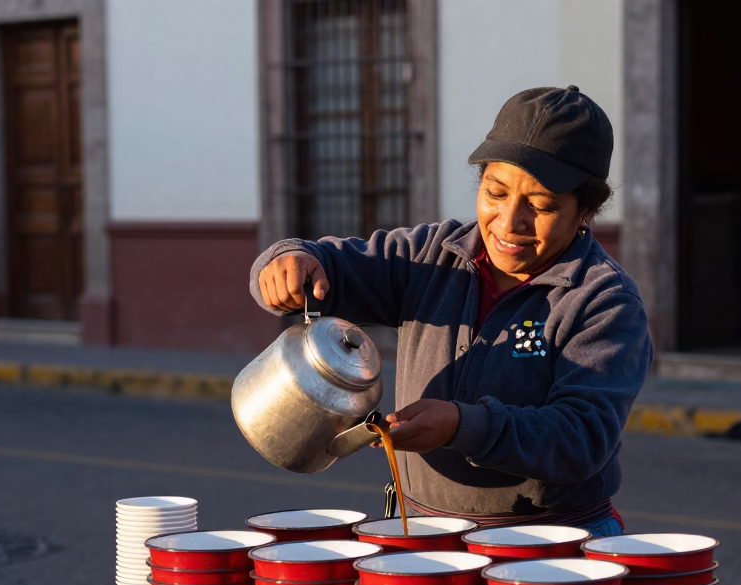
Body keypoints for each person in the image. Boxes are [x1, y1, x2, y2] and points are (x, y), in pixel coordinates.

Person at [250, 85, 652, 542]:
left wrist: (464, 425)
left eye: (541, 206)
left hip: (551, 544)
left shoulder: (603, 300)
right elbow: (332, 266)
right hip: (422, 532)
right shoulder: (430, 255)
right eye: (495, 192)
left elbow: (581, 437)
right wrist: (288, 260)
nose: (509, 222)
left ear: (587, 210)